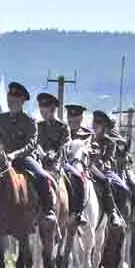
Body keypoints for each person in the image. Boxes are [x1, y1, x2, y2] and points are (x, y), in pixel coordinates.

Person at [0, 81, 56, 221]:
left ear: (22, 102)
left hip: (24, 159)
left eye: (14, 100)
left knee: (42, 176)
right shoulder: (2, 119)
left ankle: (47, 210)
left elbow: (31, 144)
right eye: (9, 99)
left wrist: (14, 155)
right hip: (4, 160)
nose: (11, 102)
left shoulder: (29, 120)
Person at [36, 93, 84, 223]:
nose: (42, 113)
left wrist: (55, 155)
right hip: (41, 161)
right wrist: (43, 154)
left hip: (59, 163)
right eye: (41, 110)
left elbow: (66, 144)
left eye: (45, 110)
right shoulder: (38, 126)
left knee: (77, 178)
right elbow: (36, 143)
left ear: (53, 110)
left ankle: (77, 212)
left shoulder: (63, 127)